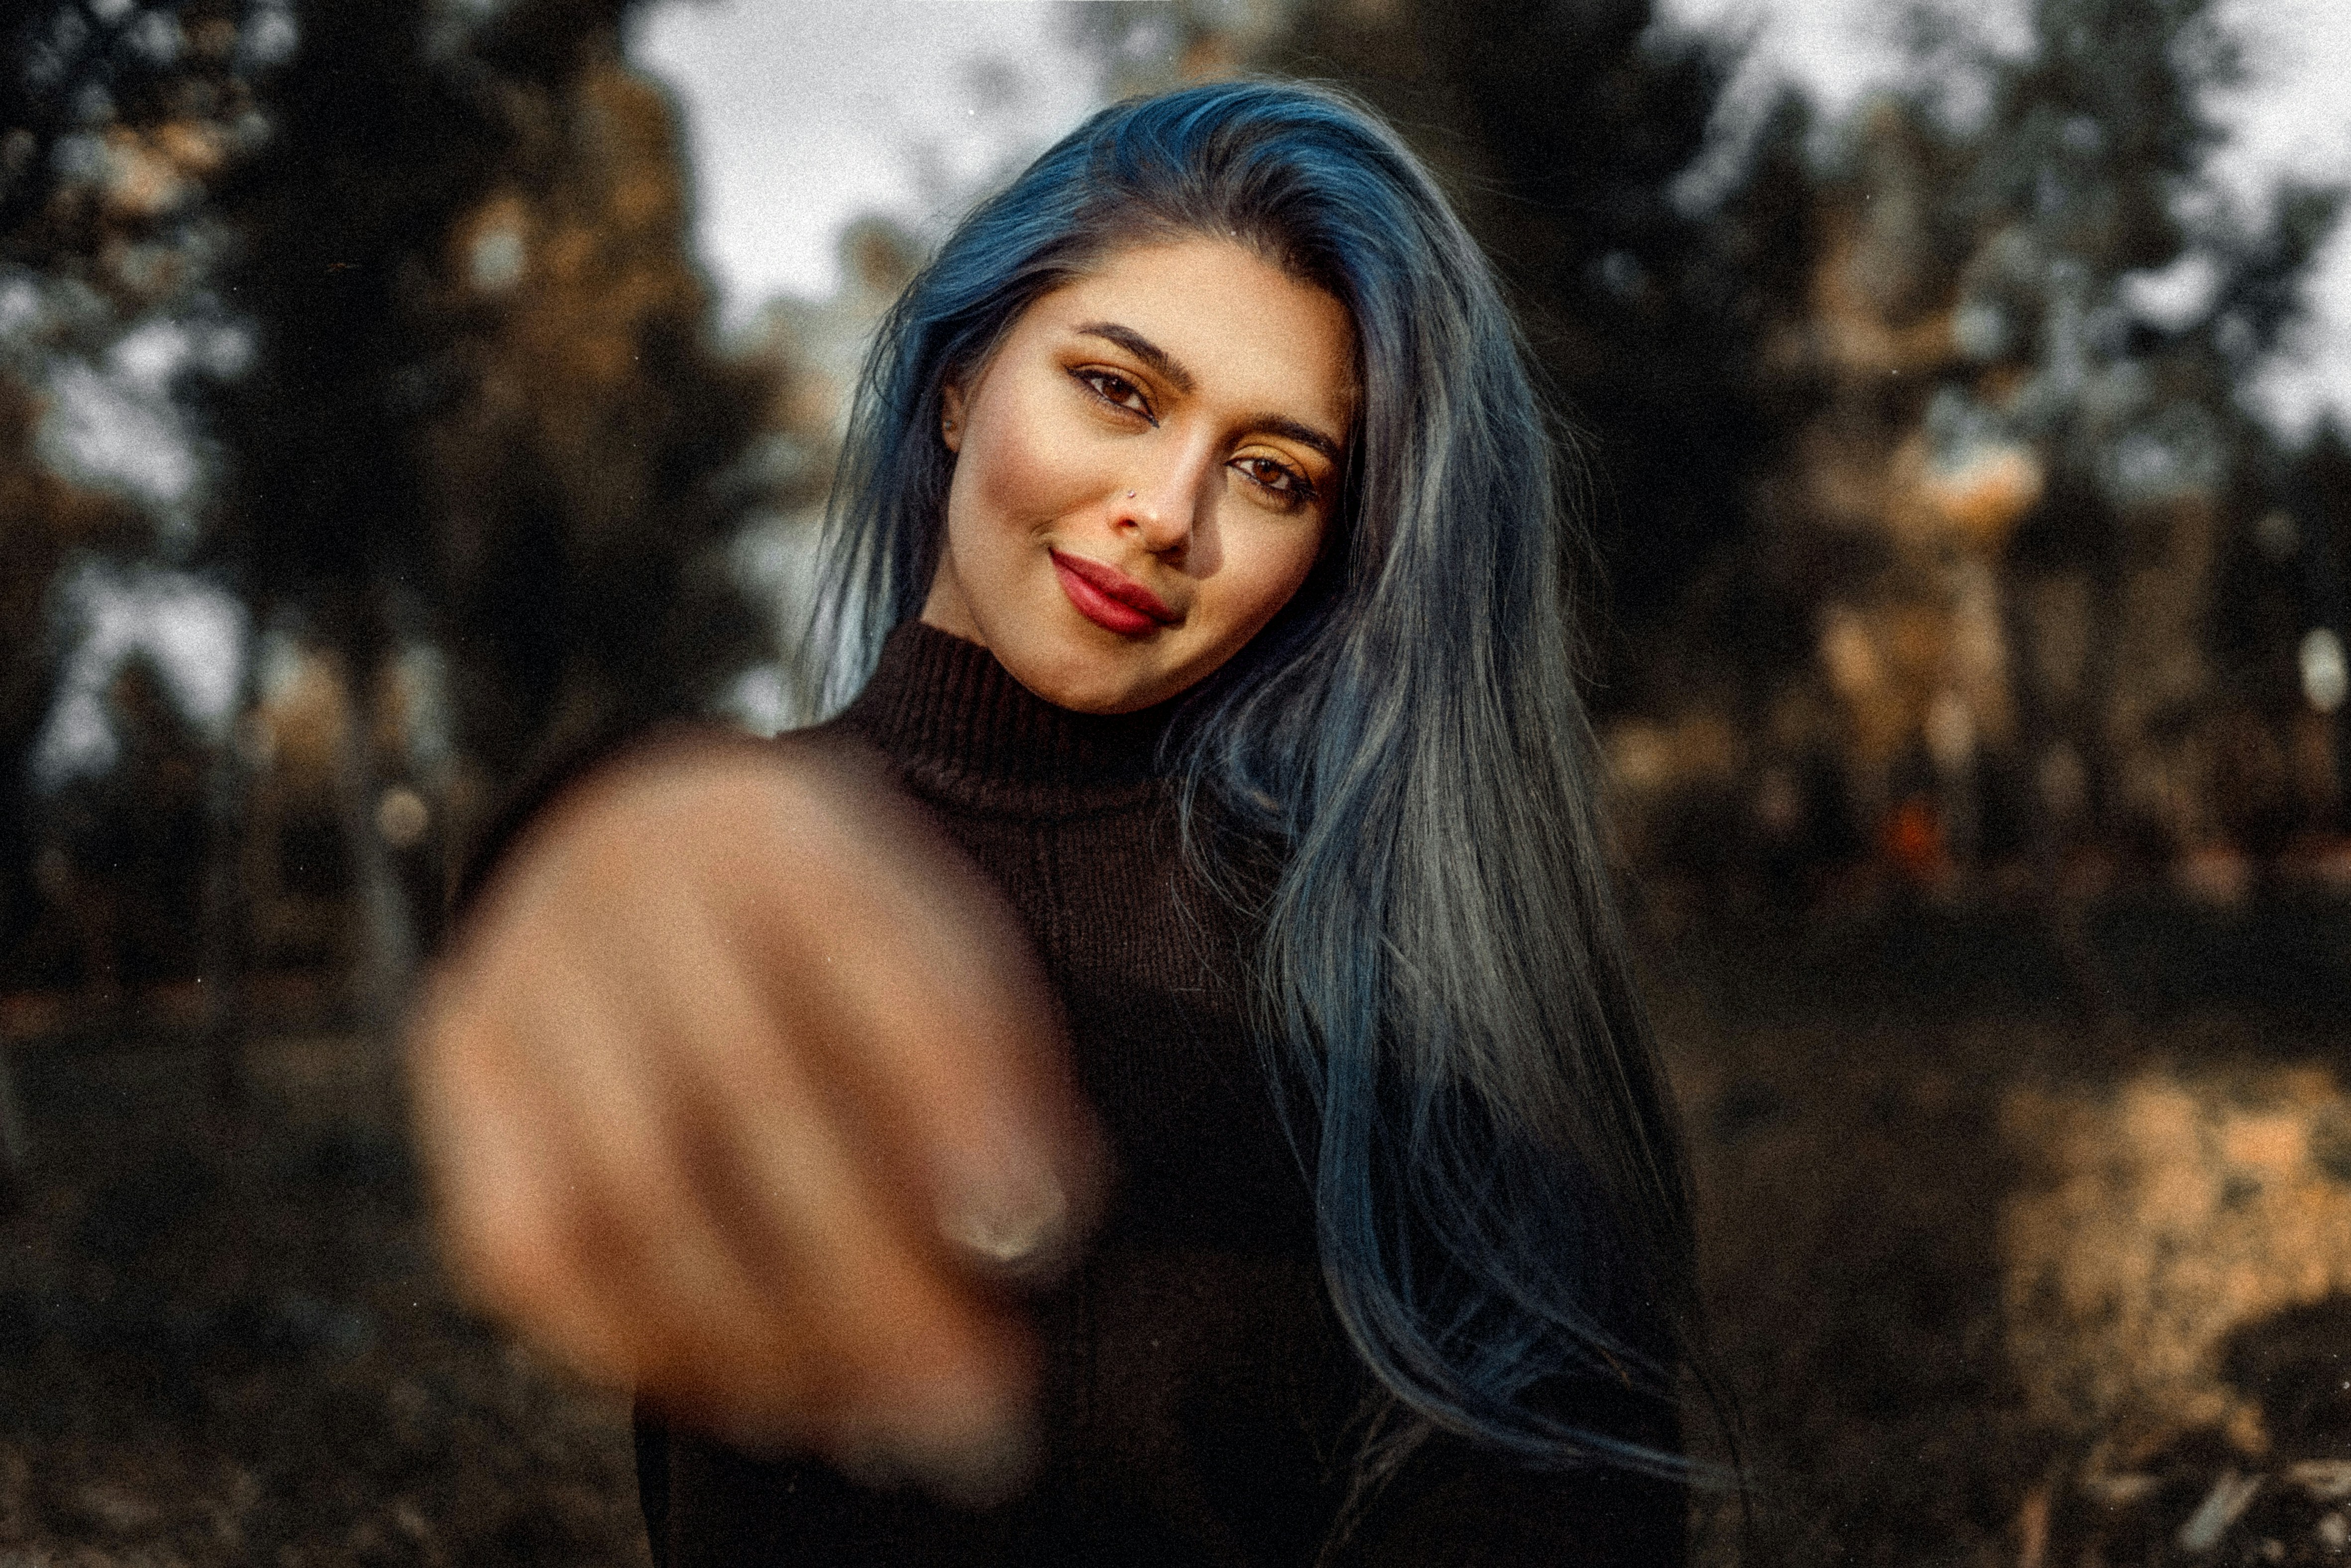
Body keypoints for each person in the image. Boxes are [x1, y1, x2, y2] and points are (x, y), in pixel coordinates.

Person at [411, 78, 1703, 1566]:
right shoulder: (745, 861)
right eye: (1117, 389)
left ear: (1331, 558)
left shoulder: (1387, 952)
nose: (1166, 510)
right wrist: (598, 852)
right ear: (959, 380)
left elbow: (1566, 1470)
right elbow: (596, 907)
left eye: (1273, 474)